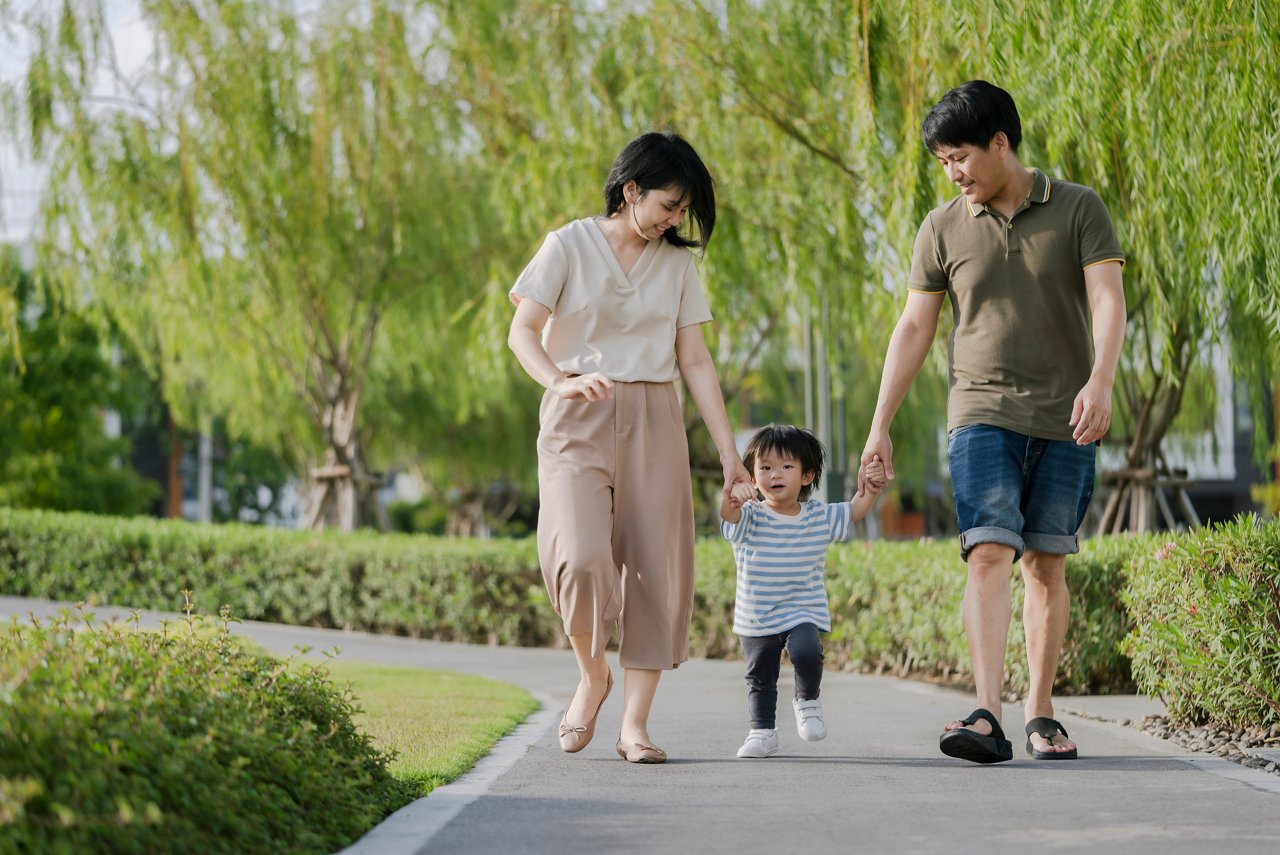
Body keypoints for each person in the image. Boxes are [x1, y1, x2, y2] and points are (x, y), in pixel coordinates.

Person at [858, 81, 1126, 764]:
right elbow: (915, 326)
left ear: (1000, 143)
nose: (953, 172)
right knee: (987, 551)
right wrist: (879, 424)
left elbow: (1106, 300)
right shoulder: (942, 227)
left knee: (1045, 564)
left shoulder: (1077, 208)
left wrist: (1101, 380)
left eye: (960, 157)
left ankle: (1039, 712)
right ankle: (988, 713)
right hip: (978, 411)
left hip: (1066, 415)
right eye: (943, 161)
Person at [507, 131, 751, 765]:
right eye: (669, 206)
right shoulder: (567, 245)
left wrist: (729, 456)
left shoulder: (676, 264)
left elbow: (694, 360)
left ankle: (634, 726)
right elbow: (522, 332)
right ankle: (593, 675)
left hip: (654, 416)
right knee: (578, 558)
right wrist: (561, 380)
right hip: (575, 414)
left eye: (684, 212)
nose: (675, 220)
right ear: (631, 190)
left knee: (654, 572)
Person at [721, 424, 885, 759]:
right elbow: (728, 517)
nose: (774, 474)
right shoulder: (749, 516)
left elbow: (856, 508)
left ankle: (807, 700)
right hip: (757, 614)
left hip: (801, 610)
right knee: (760, 676)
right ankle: (762, 732)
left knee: (808, 651)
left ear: (807, 475)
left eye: (786, 467)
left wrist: (872, 484)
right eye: (765, 468)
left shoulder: (818, 517)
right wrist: (732, 500)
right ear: (752, 477)